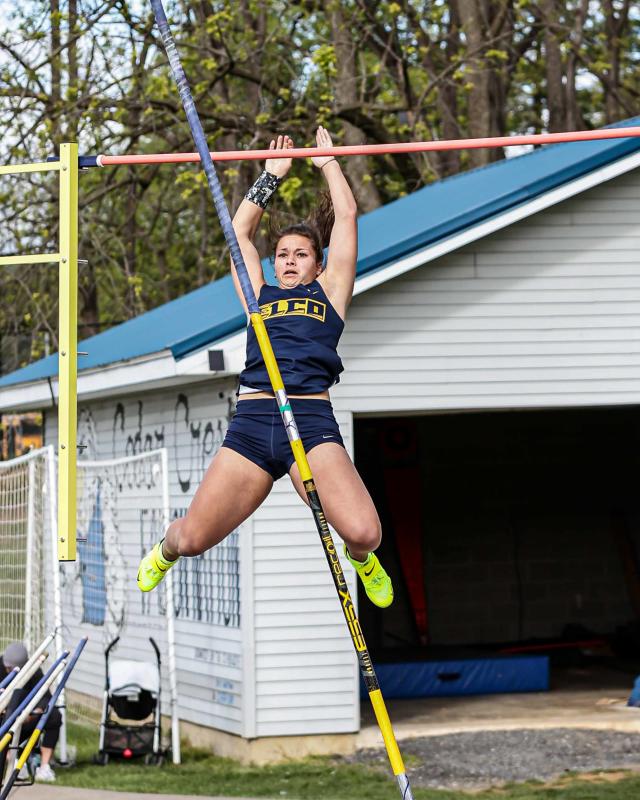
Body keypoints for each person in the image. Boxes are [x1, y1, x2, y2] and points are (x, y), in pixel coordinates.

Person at [138, 126, 393, 609]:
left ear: (318, 265)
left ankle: (361, 559)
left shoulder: (331, 295)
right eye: (283, 255)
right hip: (254, 425)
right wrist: (270, 177)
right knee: (192, 539)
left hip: (311, 426)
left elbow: (348, 215)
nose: (290, 261)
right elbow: (238, 233)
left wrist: (329, 164)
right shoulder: (260, 296)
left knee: (365, 532)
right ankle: (166, 546)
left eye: (301, 254)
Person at [0, 642, 62, 782]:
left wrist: (33, 712)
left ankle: (44, 767)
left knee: (54, 716)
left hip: (25, 718)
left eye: (13, 668)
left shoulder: (32, 671)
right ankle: (12, 761)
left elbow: (46, 698)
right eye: (7, 668)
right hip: (5, 719)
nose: (9, 671)